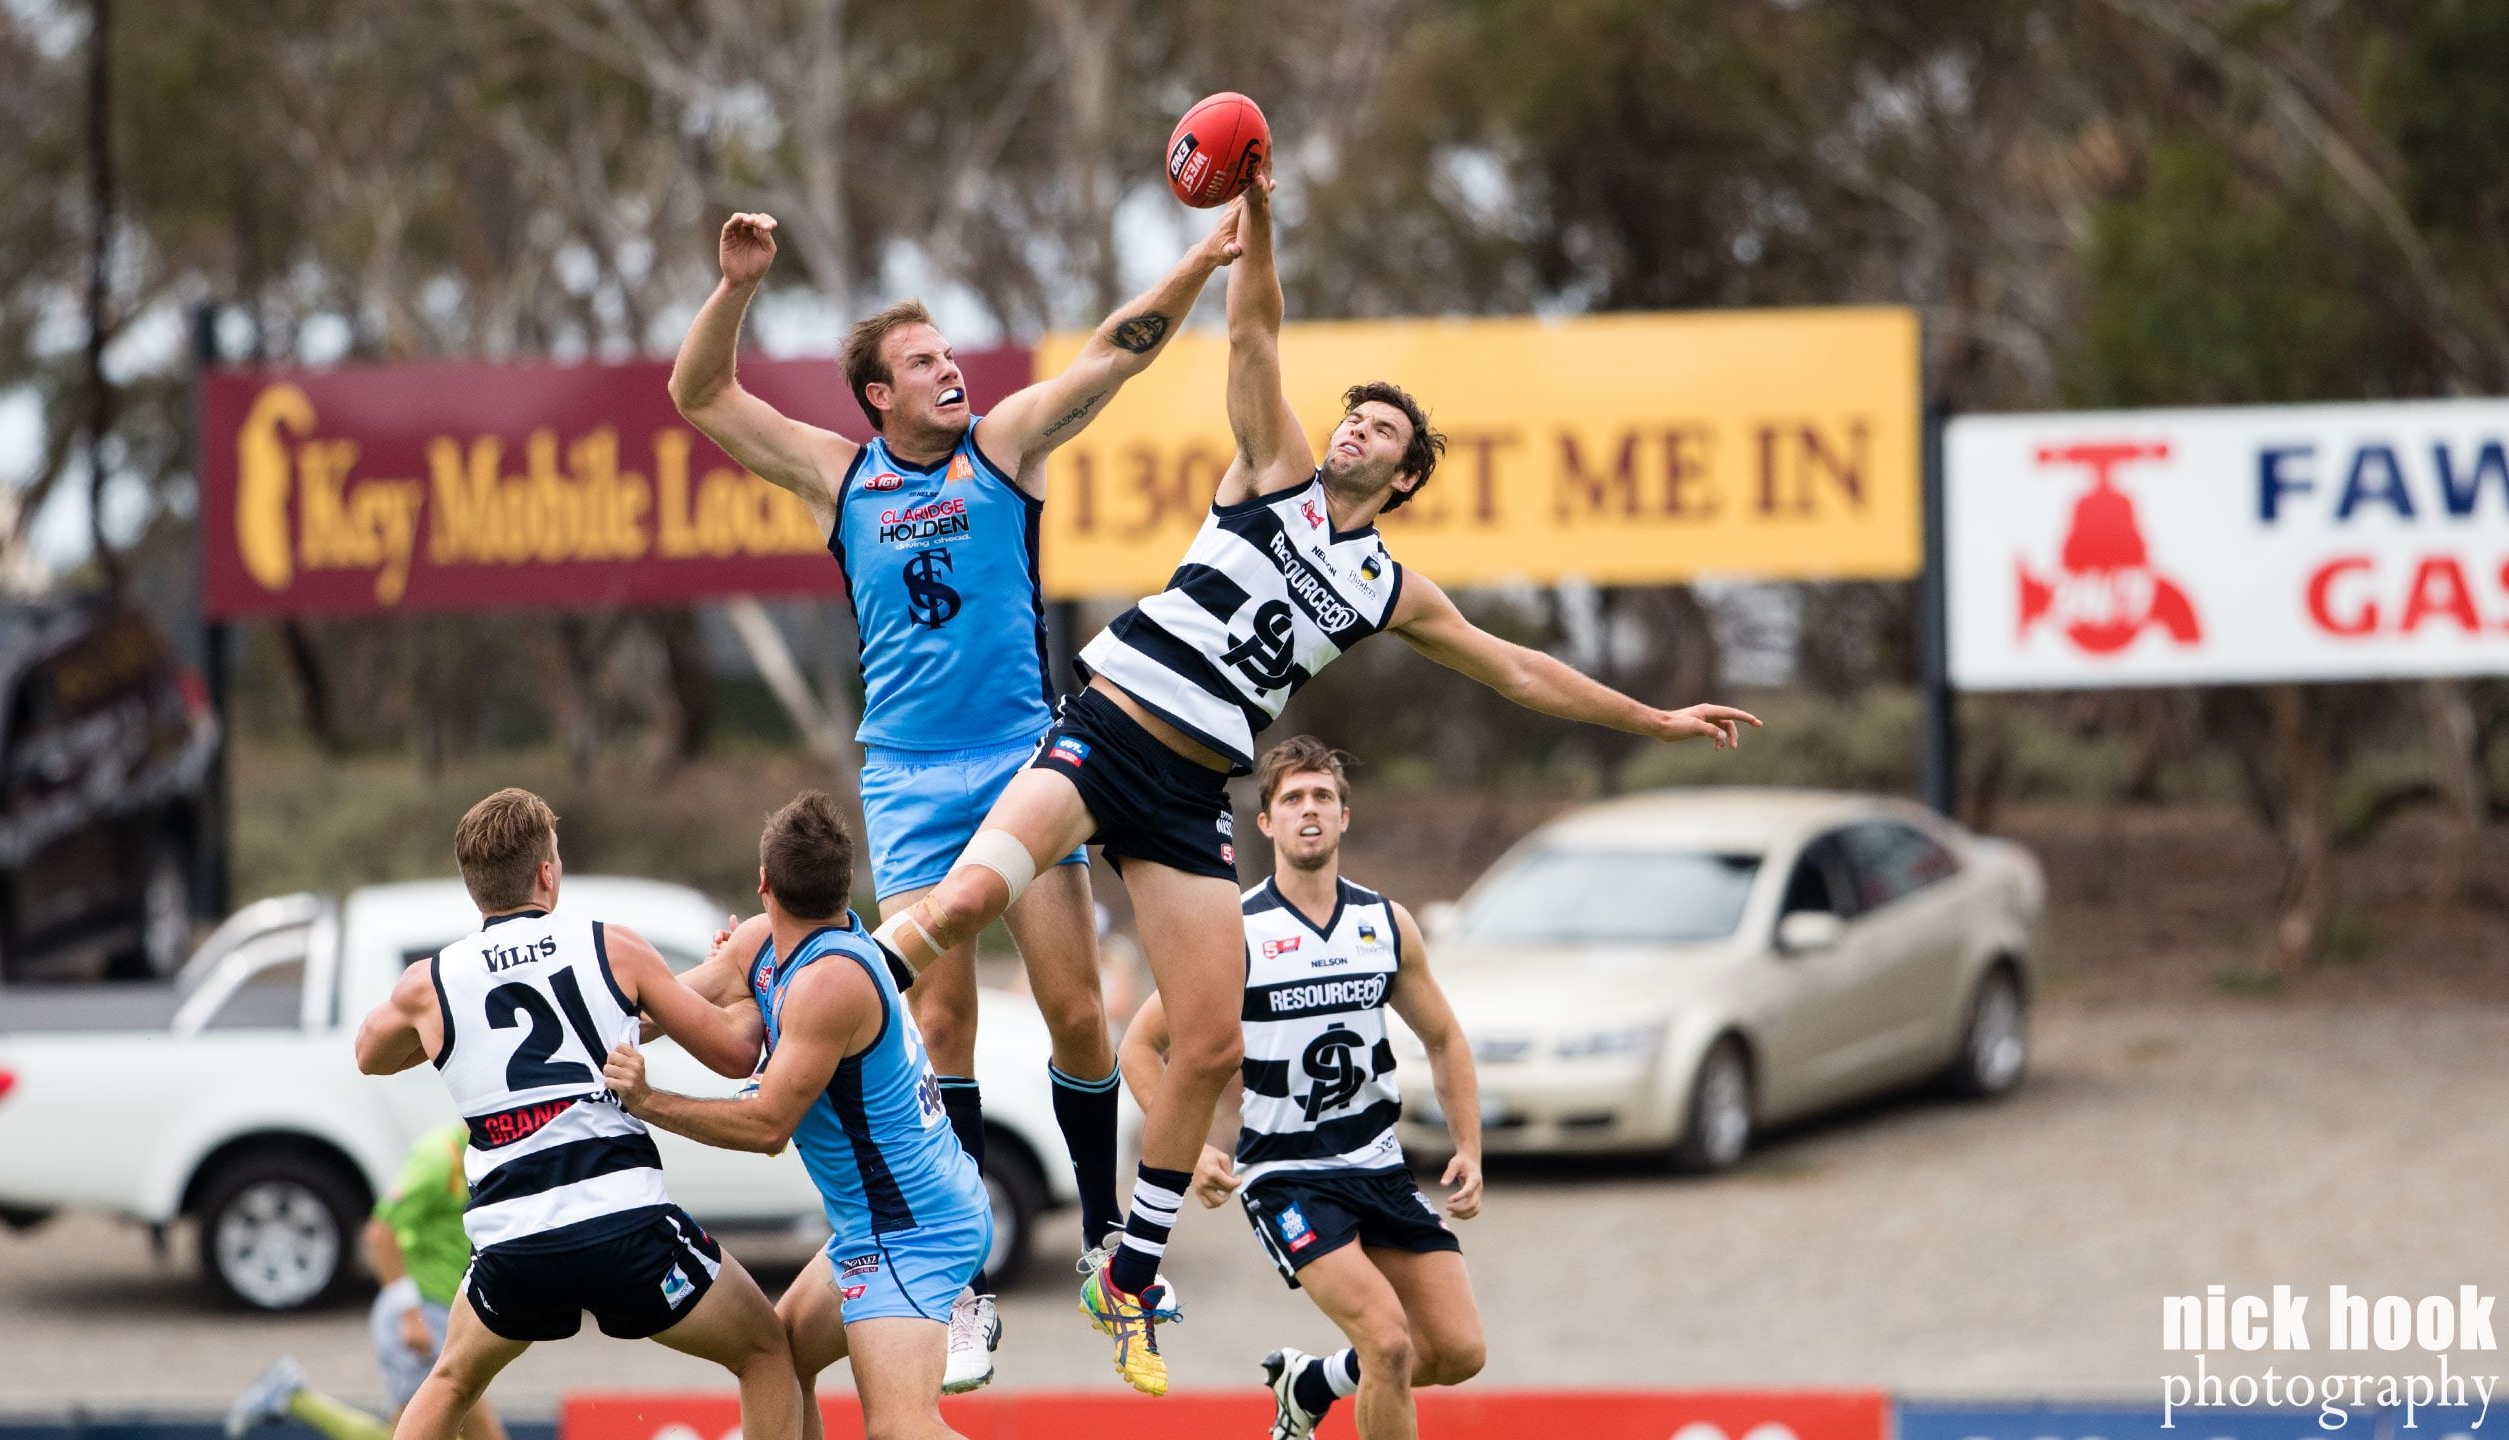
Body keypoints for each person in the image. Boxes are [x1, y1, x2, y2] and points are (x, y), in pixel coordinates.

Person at [865, 172, 1761, 1396]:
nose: (1354, 433)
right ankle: (816, 987)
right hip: (1105, 729)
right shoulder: (1272, 473)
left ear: (1401, 481)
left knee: (1212, 1041)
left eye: (1380, 434)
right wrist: (1258, 221)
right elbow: (1254, 327)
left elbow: (1518, 671)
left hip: (1190, 799)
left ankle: (1123, 1271)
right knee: (966, 905)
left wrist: (1651, 716)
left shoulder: (1391, 588)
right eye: (1355, 419)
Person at [670, 205, 1245, 1388]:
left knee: (1078, 1013)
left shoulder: (1005, 450)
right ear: (877, 395)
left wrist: (1196, 262)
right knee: (939, 1027)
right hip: (907, 781)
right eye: (925, 362)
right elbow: (701, 398)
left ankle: (1104, 1247)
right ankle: (963, 1286)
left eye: (951, 355)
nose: (952, 372)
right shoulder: (840, 476)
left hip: (1021, 759)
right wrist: (735, 289)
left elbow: (1114, 357)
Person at [352, 789, 799, 1440]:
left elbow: (370, 1054)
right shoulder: (613, 947)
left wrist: (446, 1025)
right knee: (765, 1351)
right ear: (546, 873)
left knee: (449, 1382)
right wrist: (743, 980)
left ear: (473, 889)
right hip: (625, 1223)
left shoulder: (431, 983)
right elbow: (736, 1056)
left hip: (514, 1240)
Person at [1120, 736, 1485, 1439]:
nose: (1308, 810)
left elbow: (1445, 1038)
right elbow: (1141, 1045)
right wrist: (1187, 1151)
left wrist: (1468, 1145)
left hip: (1378, 1166)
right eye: (1292, 799)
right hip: (1286, 1174)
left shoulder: (1385, 925)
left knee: (1458, 1351)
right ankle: (1335, 1381)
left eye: (1322, 797)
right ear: (1267, 824)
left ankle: (1312, 1382)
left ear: (1345, 816)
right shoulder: (1235, 932)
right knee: (1387, 1342)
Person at [600, 793, 991, 1440]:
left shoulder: (830, 983)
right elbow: (659, 1010)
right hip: (876, 1225)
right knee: (778, 1355)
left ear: (763, 883)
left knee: (899, 1428)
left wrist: (647, 1103)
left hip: (912, 1230)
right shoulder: (761, 946)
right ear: (845, 885)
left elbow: (768, 1127)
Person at [223, 1129, 507, 1440]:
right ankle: (294, 1397)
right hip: (422, 1316)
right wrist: (410, 1315)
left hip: (447, 1313)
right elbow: (379, 1233)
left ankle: (293, 1395)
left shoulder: (490, 1155)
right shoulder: (438, 1158)